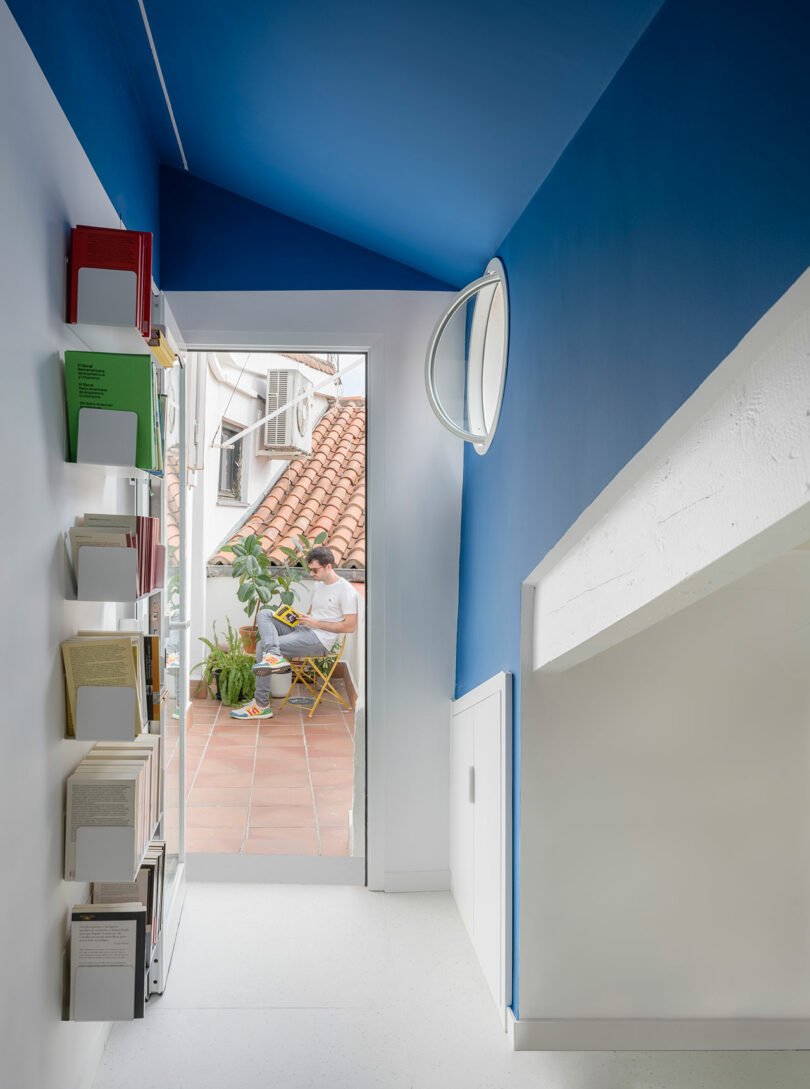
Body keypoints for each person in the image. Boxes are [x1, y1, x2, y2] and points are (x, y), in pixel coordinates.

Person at [230, 545, 358, 719]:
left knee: (262, 646)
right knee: (265, 613)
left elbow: (349, 626)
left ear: (328, 566)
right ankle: (273, 656)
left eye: (314, 570)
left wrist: (316, 623)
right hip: (304, 628)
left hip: (319, 640)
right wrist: (301, 617)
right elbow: (314, 613)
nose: (312, 574)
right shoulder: (318, 586)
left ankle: (261, 706)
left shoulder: (345, 590)